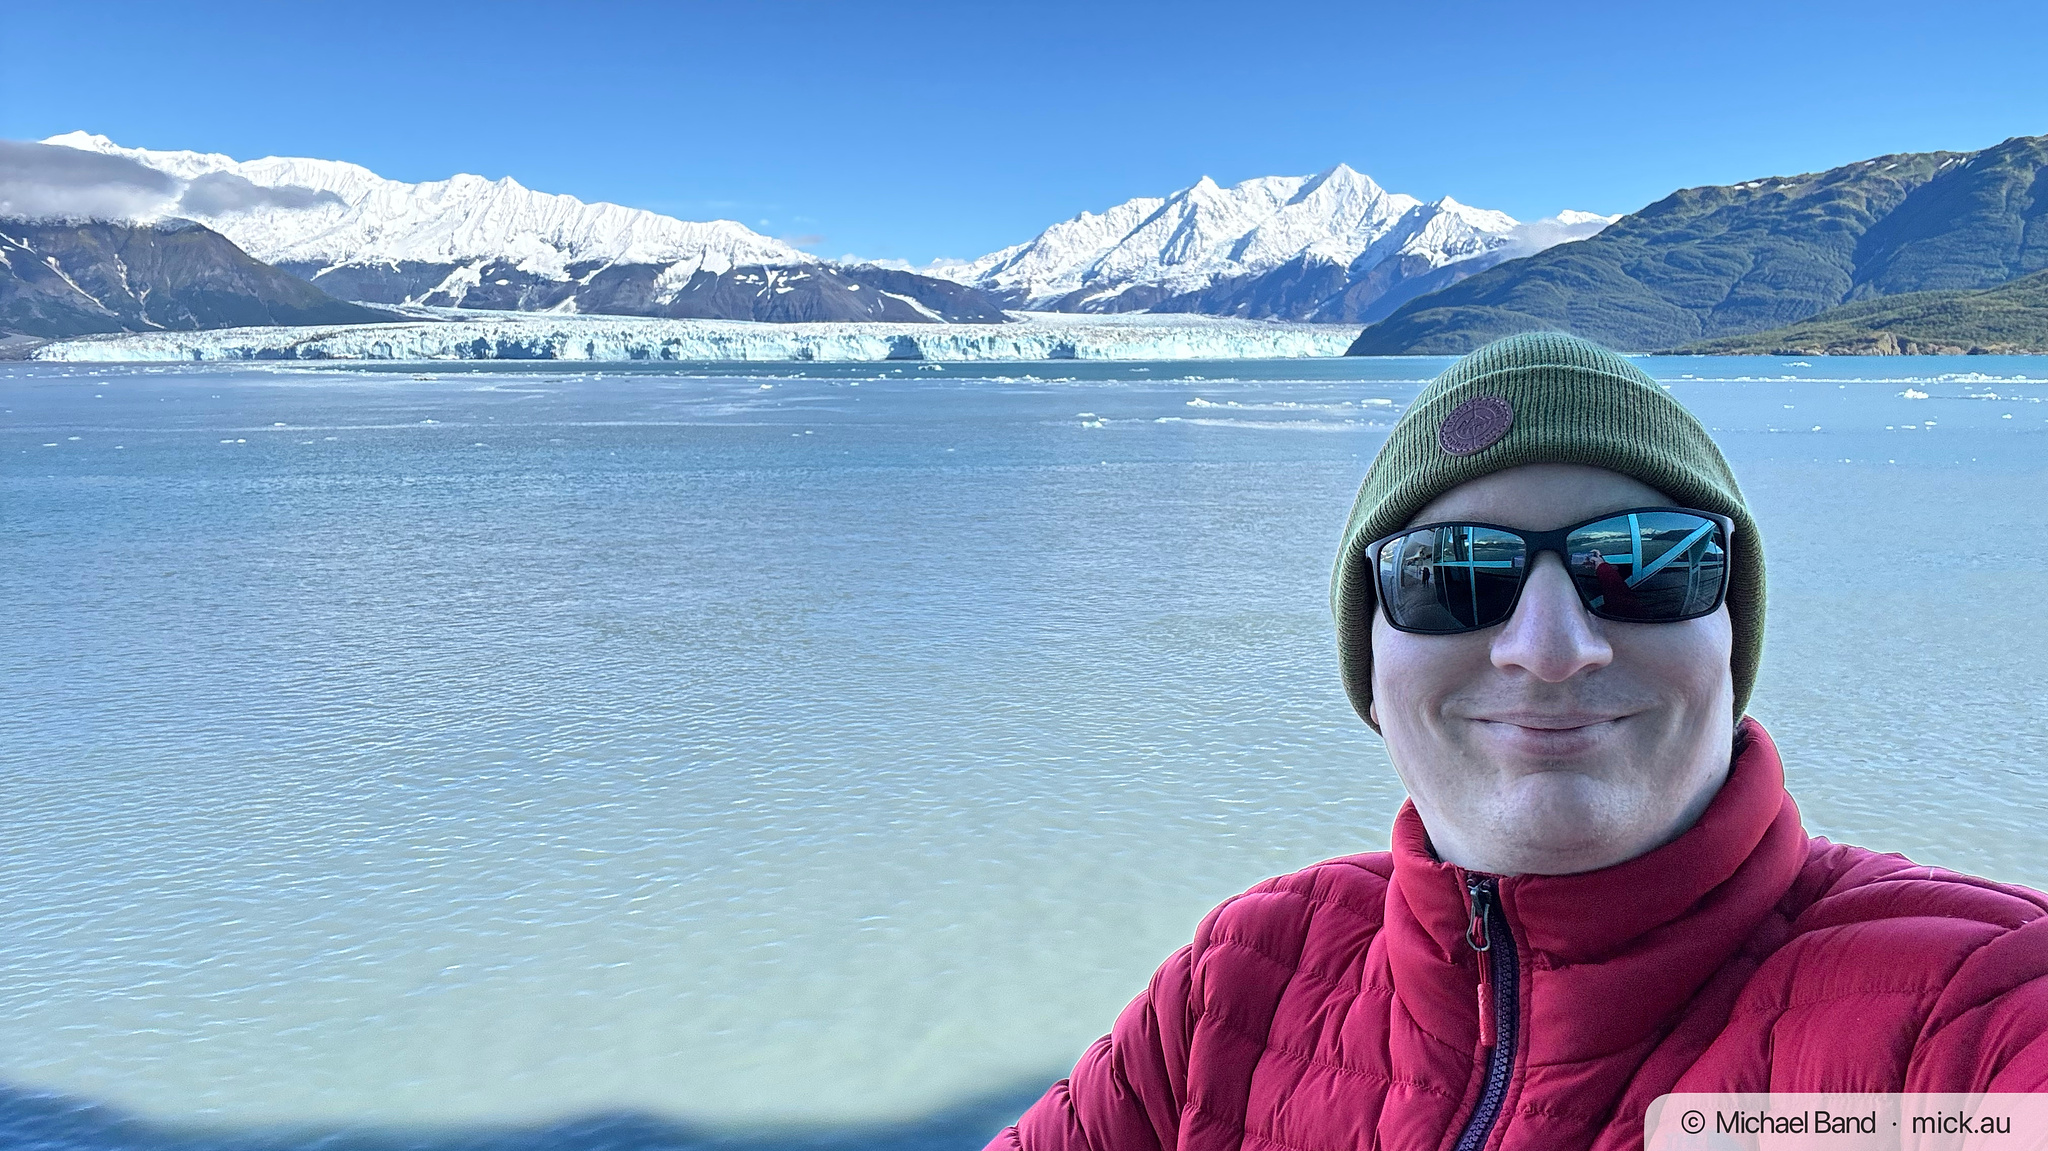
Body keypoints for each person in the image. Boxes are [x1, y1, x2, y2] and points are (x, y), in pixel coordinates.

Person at [987, 333, 2048, 1151]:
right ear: (1371, 653)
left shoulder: (1979, 1003)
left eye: (1642, 561)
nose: (1549, 647)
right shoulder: (1242, 978)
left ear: (1729, 630)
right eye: (1453, 574)